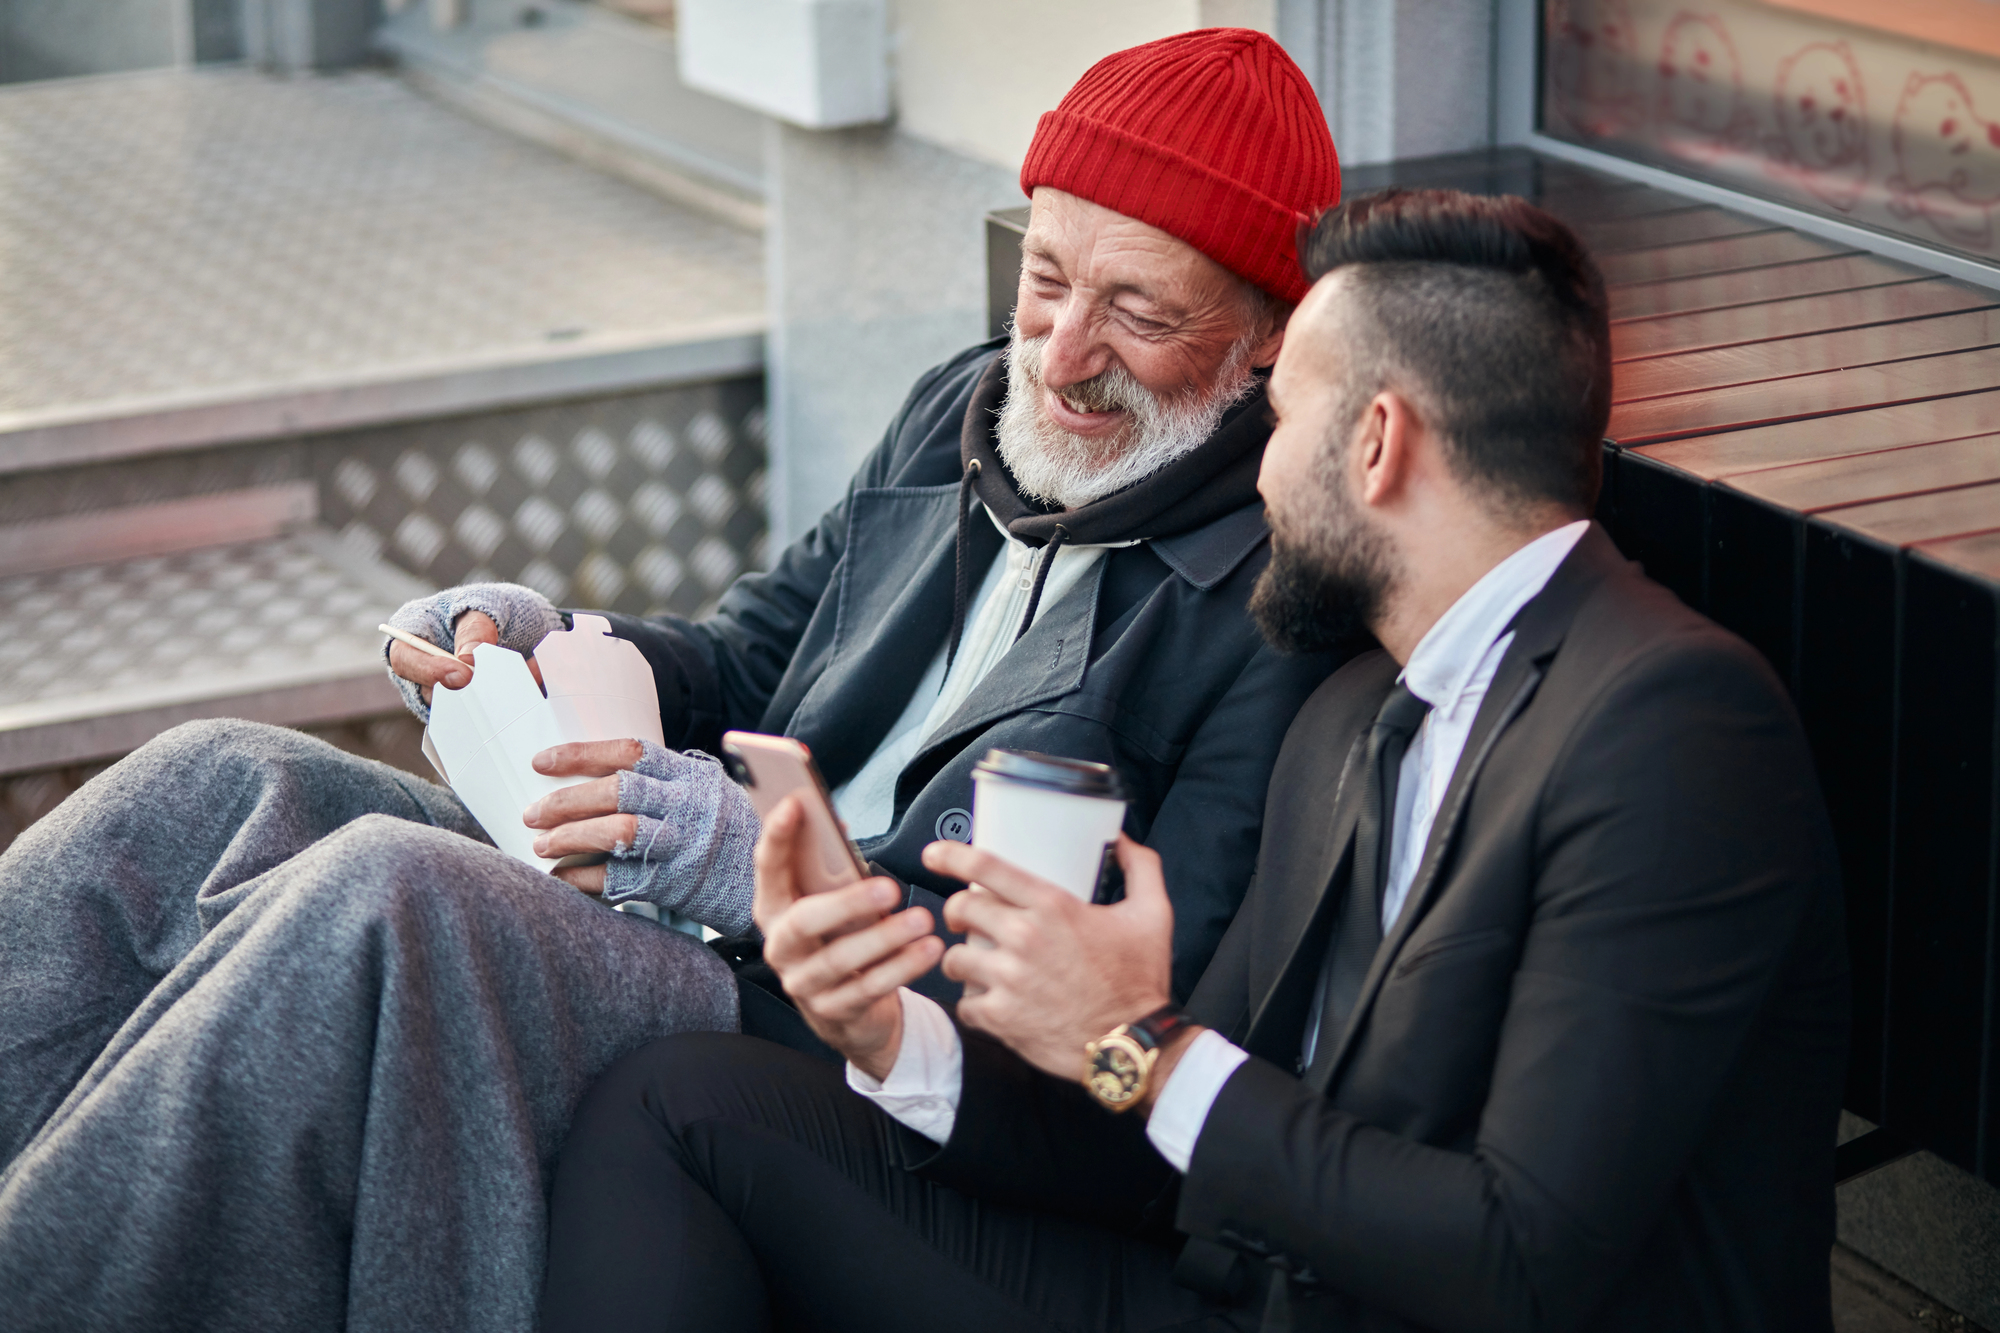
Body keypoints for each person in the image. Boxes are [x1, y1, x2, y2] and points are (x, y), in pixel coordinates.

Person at [0, 29, 1347, 1333]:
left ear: (1269, 336)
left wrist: (752, 869)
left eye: (1138, 312)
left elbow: (1093, 1007)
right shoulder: (966, 407)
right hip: (693, 898)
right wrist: (547, 640)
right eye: (1047, 278)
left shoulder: (1272, 610)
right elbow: (755, 651)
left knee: (385, 897)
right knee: (219, 776)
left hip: (824, 1022)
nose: (1058, 356)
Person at [538, 188, 1850, 1333]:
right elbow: (1160, 1110)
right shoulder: (1351, 714)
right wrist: (892, 1029)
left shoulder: (1670, 725)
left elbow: (1522, 1257)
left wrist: (1144, 1045)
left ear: (1377, 444)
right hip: (1243, 1295)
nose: (1259, 473)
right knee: (682, 1106)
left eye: (1280, 418)